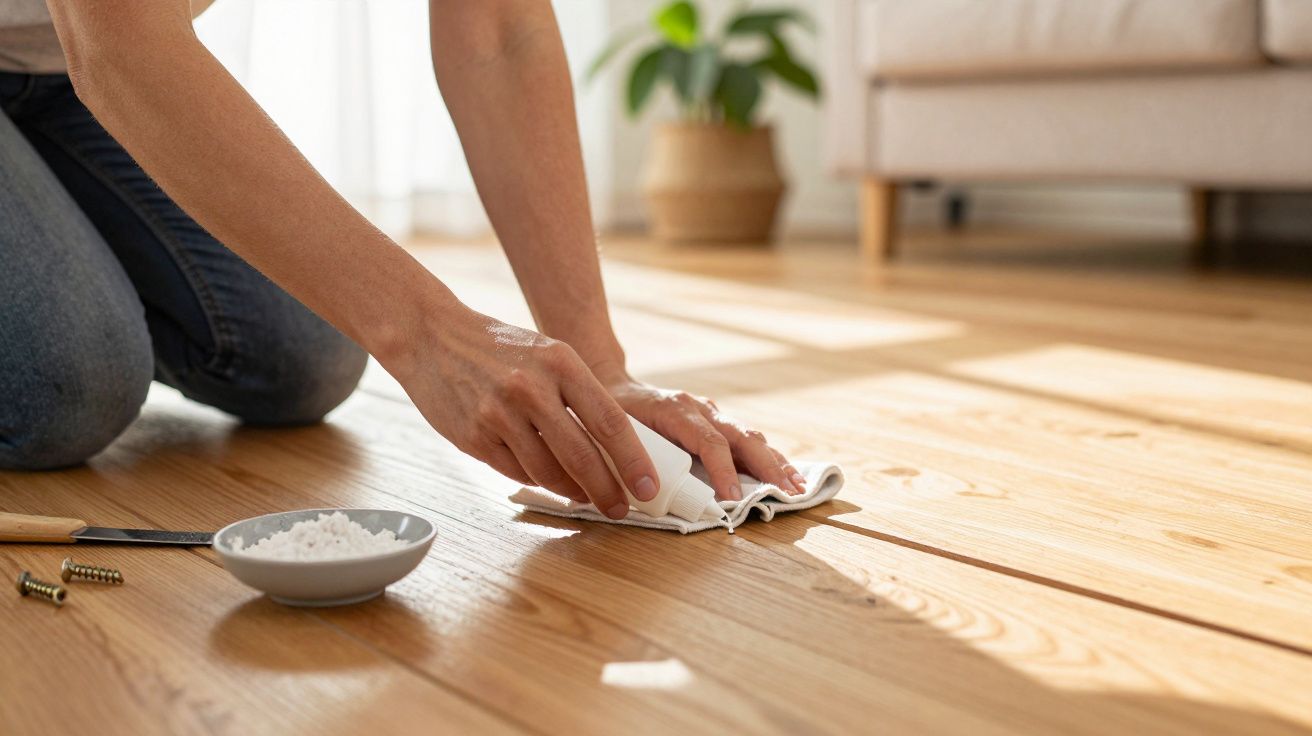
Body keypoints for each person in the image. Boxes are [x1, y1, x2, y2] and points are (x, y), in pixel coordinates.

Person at [0, 0, 806, 518]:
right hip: (101, 43)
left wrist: (600, 365)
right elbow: (118, 41)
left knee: (303, 357)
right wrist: (427, 335)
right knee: (71, 387)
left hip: (62, 72)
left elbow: (501, 31)